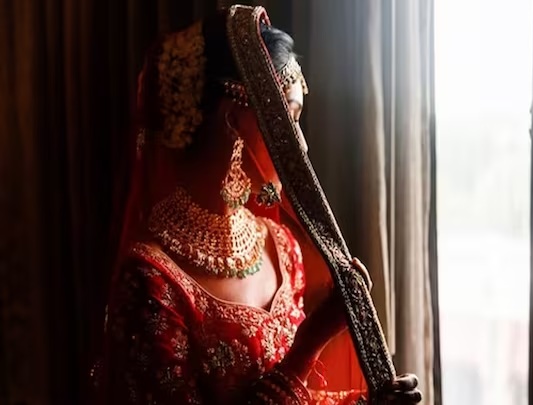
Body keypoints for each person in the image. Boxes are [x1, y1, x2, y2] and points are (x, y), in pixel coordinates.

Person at [92, 5, 421, 405]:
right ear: (233, 119)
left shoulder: (281, 248)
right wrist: (310, 342)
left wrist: (367, 403)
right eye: (288, 119)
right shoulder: (151, 279)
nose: (301, 144)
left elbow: (301, 398)